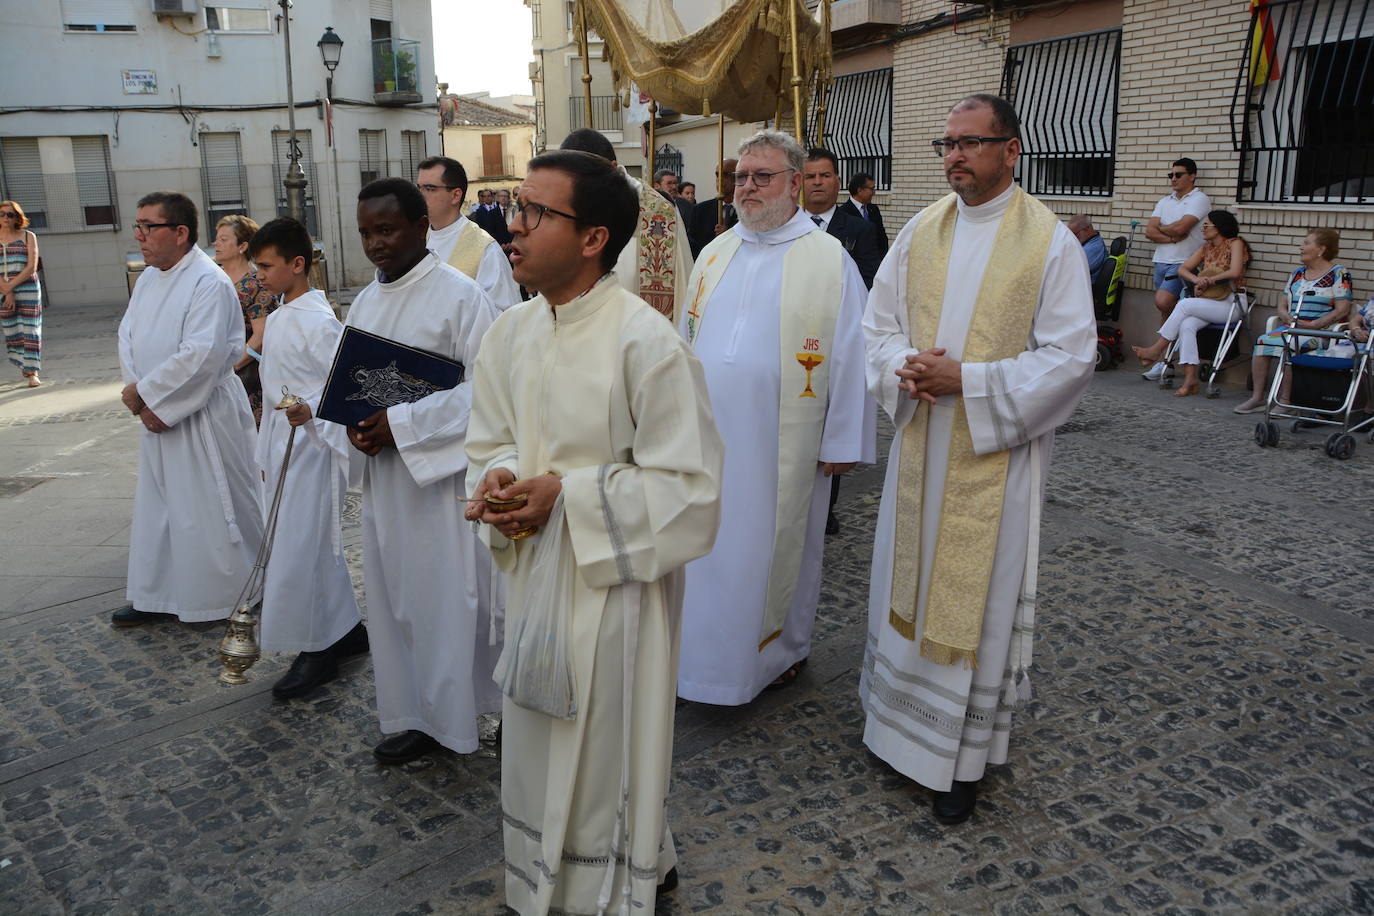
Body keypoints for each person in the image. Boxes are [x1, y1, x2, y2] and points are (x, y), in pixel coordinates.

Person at [465, 148, 724, 915]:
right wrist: (502, 477)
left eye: (536, 213)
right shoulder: (510, 333)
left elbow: (692, 491)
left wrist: (569, 497)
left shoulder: (647, 344)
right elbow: (491, 435)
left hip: (613, 600)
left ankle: (606, 891)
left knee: (607, 755)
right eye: (516, 207)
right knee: (536, 748)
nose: (513, 227)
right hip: (533, 579)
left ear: (593, 239)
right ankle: (550, 875)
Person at [860, 94, 1096, 825]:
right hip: (922, 444)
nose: (955, 156)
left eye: (970, 142)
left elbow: (1072, 357)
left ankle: (956, 765)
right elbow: (876, 325)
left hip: (993, 464)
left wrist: (970, 380)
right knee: (907, 585)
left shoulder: (1047, 242)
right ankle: (892, 729)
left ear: (1011, 151)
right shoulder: (921, 231)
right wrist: (905, 365)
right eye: (947, 143)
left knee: (974, 606)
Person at [676, 130, 873, 706]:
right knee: (706, 552)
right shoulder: (714, 253)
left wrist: (841, 438)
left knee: (778, 546)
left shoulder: (827, 259)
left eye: (763, 177)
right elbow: (681, 342)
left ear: (793, 184)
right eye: (741, 176)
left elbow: (850, 353)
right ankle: (695, 660)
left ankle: (775, 655)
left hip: (779, 444)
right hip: (708, 439)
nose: (748, 187)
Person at [344, 178, 502, 764]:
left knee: (453, 599)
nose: (376, 244)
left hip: (440, 485)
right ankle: (416, 714)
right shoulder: (364, 302)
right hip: (387, 481)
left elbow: (488, 390)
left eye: (386, 230)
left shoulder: (461, 296)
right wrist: (357, 429)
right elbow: (353, 382)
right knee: (396, 602)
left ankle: (475, 713)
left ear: (420, 227)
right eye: (366, 232)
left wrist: (404, 426)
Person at [113, 191, 264, 627]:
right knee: (160, 507)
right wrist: (138, 393)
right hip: (157, 411)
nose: (139, 235)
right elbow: (128, 335)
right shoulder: (147, 279)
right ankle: (157, 594)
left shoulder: (207, 281)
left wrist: (154, 397)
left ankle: (223, 594)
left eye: (148, 226)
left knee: (209, 508)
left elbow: (203, 354)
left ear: (180, 232)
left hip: (203, 414)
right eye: (137, 225)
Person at [246, 217, 367, 699]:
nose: (260, 276)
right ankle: (346, 632)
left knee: (304, 548)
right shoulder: (278, 317)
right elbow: (275, 389)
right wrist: (265, 451)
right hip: (284, 446)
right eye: (257, 266)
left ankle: (316, 649)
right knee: (304, 546)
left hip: (315, 449)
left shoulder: (319, 322)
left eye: (267, 266)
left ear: (298, 265)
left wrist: (311, 409)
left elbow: (344, 386)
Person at [560, 128, 694, 321]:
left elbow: (682, 293)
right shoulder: (565, 205)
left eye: (585, 180)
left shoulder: (659, 213)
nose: (580, 190)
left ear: (612, 168)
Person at [1233, 228, 1353, 414]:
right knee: (1262, 342)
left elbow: (1343, 309)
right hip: (1292, 327)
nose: (1300, 247)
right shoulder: (1297, 273)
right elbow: (1282, 304)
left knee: (1291, 345)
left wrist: (1316, 324)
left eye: (1306, 243)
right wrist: (1285, 316)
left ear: (1321, 249)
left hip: (1320, 332)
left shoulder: (1339, 274)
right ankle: (1258, 398)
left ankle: (1286, 401)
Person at [1131, 211, 1251, 397]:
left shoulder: (1236, 243)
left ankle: (1155, 350)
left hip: (1232, 303)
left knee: (1185, 305)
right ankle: (1190, 379)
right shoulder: (1206, 248)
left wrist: (1210, 281)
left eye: (1207, 225)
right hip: (1210, 302)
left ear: (1219, 227)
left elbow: (1235, 272)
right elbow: (1182, 269)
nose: (1203, 228)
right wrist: (1197, 280)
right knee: (1187, 324)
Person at [417, 155, 520, 309]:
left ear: (455, 195)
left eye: (430, 189)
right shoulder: (415, 240)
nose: (420, 195)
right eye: (419, 188)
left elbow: (504, 317)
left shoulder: (486, 250)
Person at [1143, 158, 1210, 379]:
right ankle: (1167, 361)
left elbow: (1184, 227)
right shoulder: (1165, 201)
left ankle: (1165, 356)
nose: (1173, 179)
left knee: (1163, 302)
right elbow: (1149, 231)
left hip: (1183, 262)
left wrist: (1164, 229)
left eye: (1178, 175)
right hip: (1162, 259)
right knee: (1166, 311)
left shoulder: (1199, 199)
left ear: (1192, 176)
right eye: (1170, 175)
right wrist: (1172, 237)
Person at [212, 214, 278, 425]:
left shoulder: (255, 284)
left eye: (223, 239)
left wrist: (230, 367)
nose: (216, 243)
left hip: (246, 379)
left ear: (242, 246)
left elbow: (261, 335)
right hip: (215, 374)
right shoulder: (212, 281)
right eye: (217, 238)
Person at [802, 147, 883, 289]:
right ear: (798, 182)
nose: (817, 182)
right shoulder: (786, 227)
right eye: (810, 176)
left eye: (825, 175)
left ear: (837, 182)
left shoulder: (861, 230)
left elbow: (869, 285)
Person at [0, 200, 42, 387]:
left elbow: (31, 266)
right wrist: (6, 290)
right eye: (2, 214)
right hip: (2, 289)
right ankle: (23, 365)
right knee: (12, 331)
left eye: (10, 214)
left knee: (30, 329)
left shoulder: (28, 236)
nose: (6, 218)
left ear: (17, 217)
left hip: (28, 288)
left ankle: (32, 372)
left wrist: (11, 286)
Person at [688, 159, 738, 258]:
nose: (719, 179)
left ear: (738, 177)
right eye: (717, 175)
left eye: (725, 175)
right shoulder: (700, 210)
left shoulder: (749, 211)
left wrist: (729, 235)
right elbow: (692, 244)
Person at [838, 172, 888, 253]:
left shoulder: (874, 209)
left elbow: (882, 238)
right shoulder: (843, 212)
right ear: (860, 190)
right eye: (871, 189)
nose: (874, 193)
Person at [1067, 214, 1107, 278]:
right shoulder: (1094, 241)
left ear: (1086, 229)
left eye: (1074, 234)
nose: (1072, 238)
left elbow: (1072, 271)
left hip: (1087, 286)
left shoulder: (1092, 249)